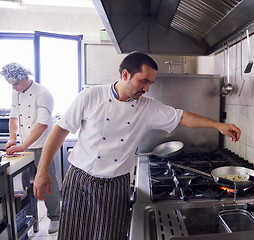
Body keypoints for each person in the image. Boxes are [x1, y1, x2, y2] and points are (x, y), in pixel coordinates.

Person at [33, 52, 241, 240]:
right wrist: (42, 170)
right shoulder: (90, 96)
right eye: (143, 81)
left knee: (110, 236)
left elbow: (182, 117)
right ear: (125, 74)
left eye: (150, 83)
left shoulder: (147, 107)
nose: (147, 88)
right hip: (81, 179)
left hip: (115, 184)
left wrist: (218, 125)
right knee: (74, 233)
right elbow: (58, 132)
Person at [0, 62, 61, 234]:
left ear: (25, 78)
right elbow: (13, 117)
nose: (13, 88)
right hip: (25, 145)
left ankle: (55, 217)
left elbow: (42, 124)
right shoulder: (16, 93)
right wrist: (13, 138)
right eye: (11, 85)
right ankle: (28, 216)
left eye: (15, 84)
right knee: (27, 184)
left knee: (47, 181)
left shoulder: (43, 93)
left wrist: (23, 145)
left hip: (43, 145)